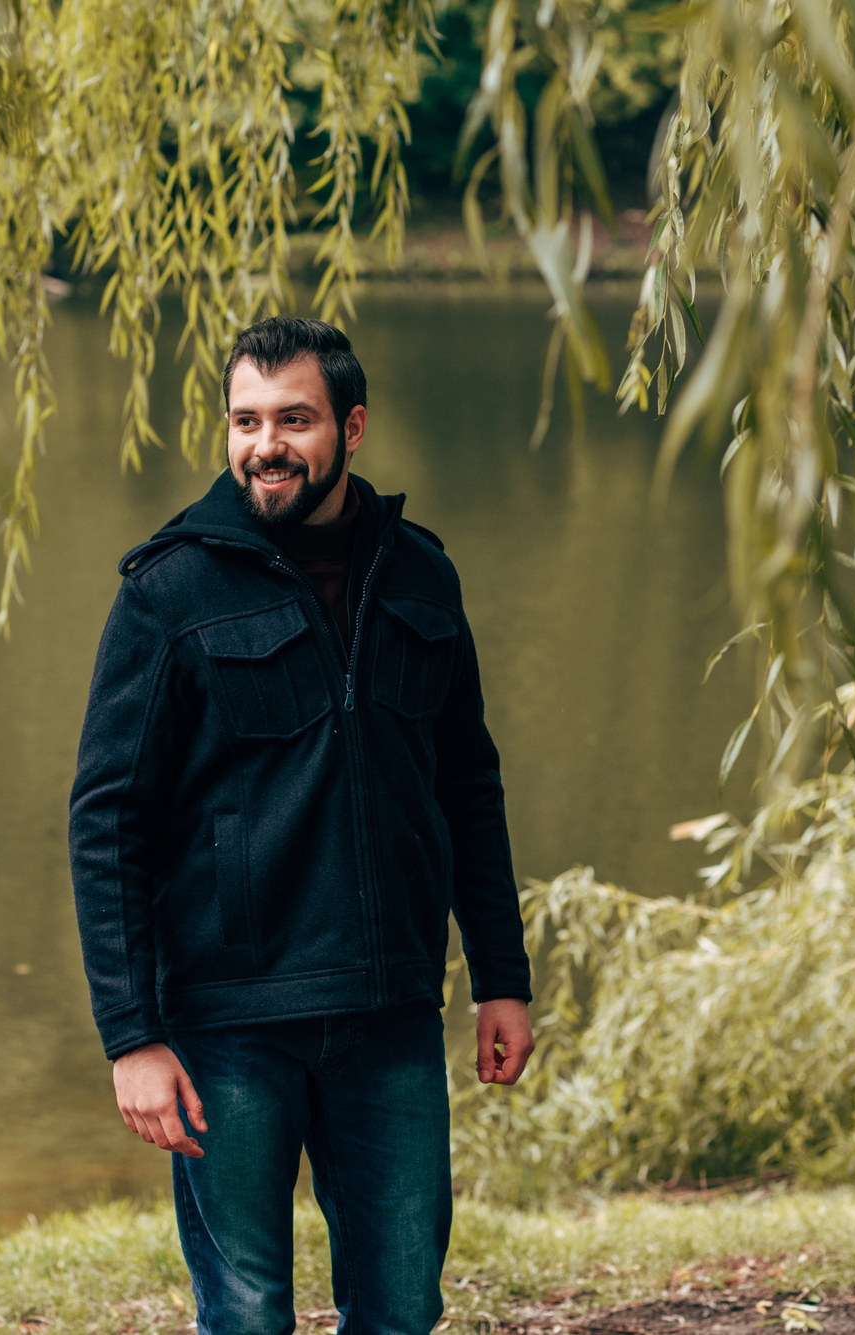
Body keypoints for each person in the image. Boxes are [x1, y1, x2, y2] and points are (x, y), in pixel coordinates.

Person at [69, 316, 534, 1334]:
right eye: (244, 420)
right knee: (243, 1315)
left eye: (292, 418)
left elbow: (467, 783)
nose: (263, 445)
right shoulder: (168, 591)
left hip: (389, 1016)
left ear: (350, 426)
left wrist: (499, 974)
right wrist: (132, 1036)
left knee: (403, 1311)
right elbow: (107, 821)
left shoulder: (419, 575)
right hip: (227, 1026)